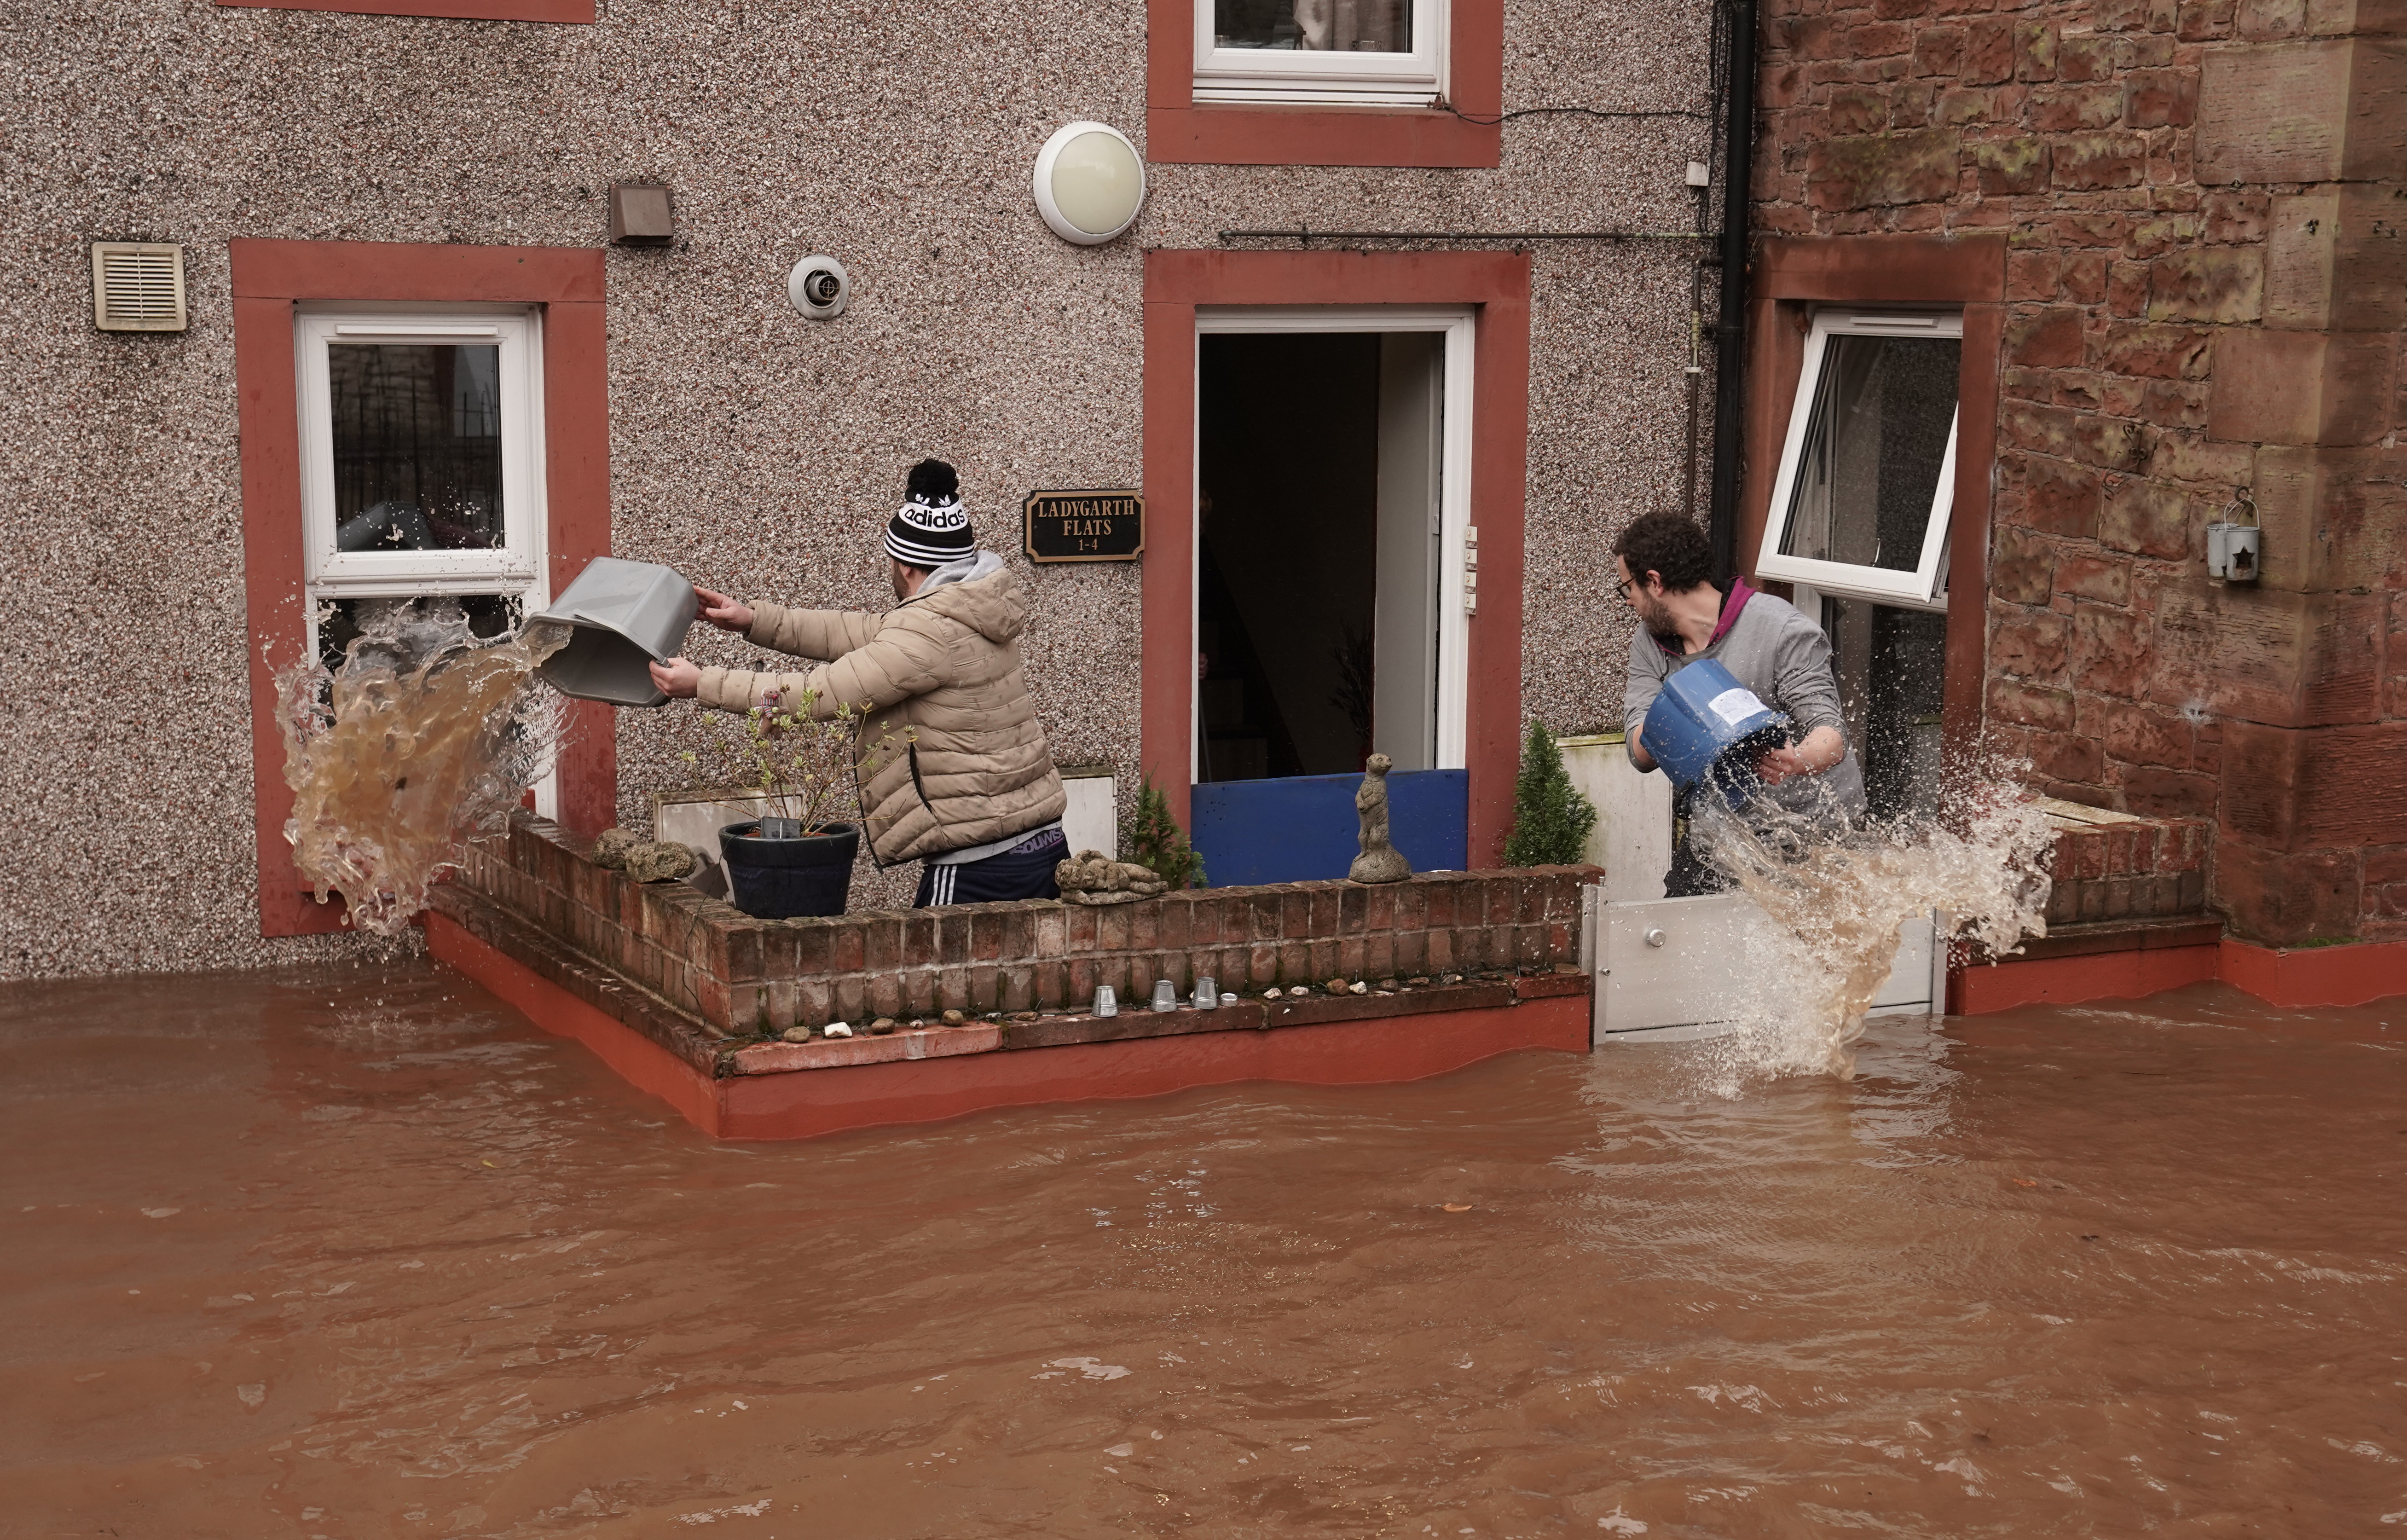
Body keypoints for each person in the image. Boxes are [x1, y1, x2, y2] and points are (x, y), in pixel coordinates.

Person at [648, 459, 1069, 906]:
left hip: (982, 862)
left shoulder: (928, 633)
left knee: (935, 974)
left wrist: (702, 684)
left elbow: (823, 692)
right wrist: (753, 619)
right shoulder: (966, 610)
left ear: (907, 567)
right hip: (1036, 844)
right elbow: (855, 632)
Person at [1615, 510, 1865, 898]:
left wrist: (1797, 760)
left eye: (1627, 588)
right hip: (1722, 834)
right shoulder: (1650, 644)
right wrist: (1689, 715)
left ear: (1654, 581)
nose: (1628, 601)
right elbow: (1641, 753)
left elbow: (1832, 735)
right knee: (1680, 943)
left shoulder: (1781, 629)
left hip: (1815, 832)